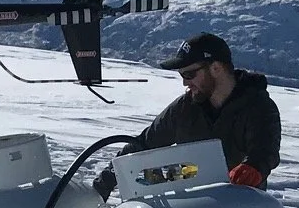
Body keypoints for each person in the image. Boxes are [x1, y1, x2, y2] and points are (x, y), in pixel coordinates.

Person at [95, 32, 280, 196]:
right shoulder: (185, 107)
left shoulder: (258, 107)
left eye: (189, 74)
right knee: (145, 180)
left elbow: (264, 151)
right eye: (182, 75)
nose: (185, 83)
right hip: (189, 207)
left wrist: (252, 168)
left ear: (216, 68)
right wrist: (107, 180)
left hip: (236, 207)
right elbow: (144, 143)